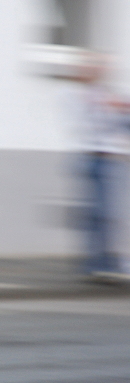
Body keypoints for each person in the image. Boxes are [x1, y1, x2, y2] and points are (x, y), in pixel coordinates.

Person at [73, 51, 130, 280]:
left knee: (105, 214)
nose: (98, 71)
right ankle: (99, 262)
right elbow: (93, 124)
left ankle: (104, 261)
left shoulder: (104, 94)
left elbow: (118, 123)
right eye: (94, 67)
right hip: (96, 158)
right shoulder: (82, 95)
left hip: (110, 159)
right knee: (100, 213)